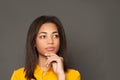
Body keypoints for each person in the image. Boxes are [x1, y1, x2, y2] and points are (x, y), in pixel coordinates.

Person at [11, 15, 81, 80]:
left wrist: (61, 75)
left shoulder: (73, 76)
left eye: (55, 36)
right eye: (43, 36)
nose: (50, 41)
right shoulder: (19, 76)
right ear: (34, 42)